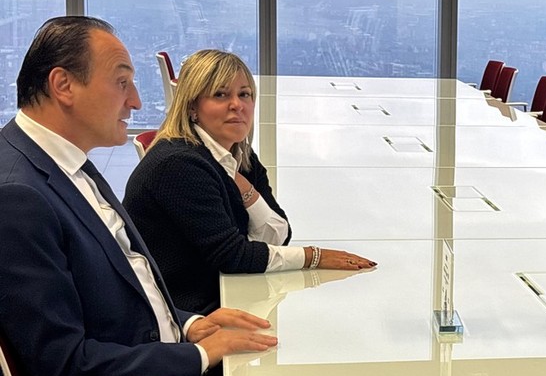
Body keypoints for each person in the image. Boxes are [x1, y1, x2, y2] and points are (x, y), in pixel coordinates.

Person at [0, 17, 278, 376]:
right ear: (63, 85)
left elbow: (119, 290)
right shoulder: (18, 194)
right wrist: (198, 355)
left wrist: (190, 324)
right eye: (122, 83)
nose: (136, 101)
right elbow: (63, 361)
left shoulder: (67, 163)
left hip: (162, 367)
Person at [124, 49, 375, 314]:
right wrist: (314, 257)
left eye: (244, 94)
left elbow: (278, 234)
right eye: (220, 95)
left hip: (217, 293)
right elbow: (233, 257)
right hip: (179, 313)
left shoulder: (237, 154)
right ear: (192, 107)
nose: (237, 105)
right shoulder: (179, 164)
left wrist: (244, 188)